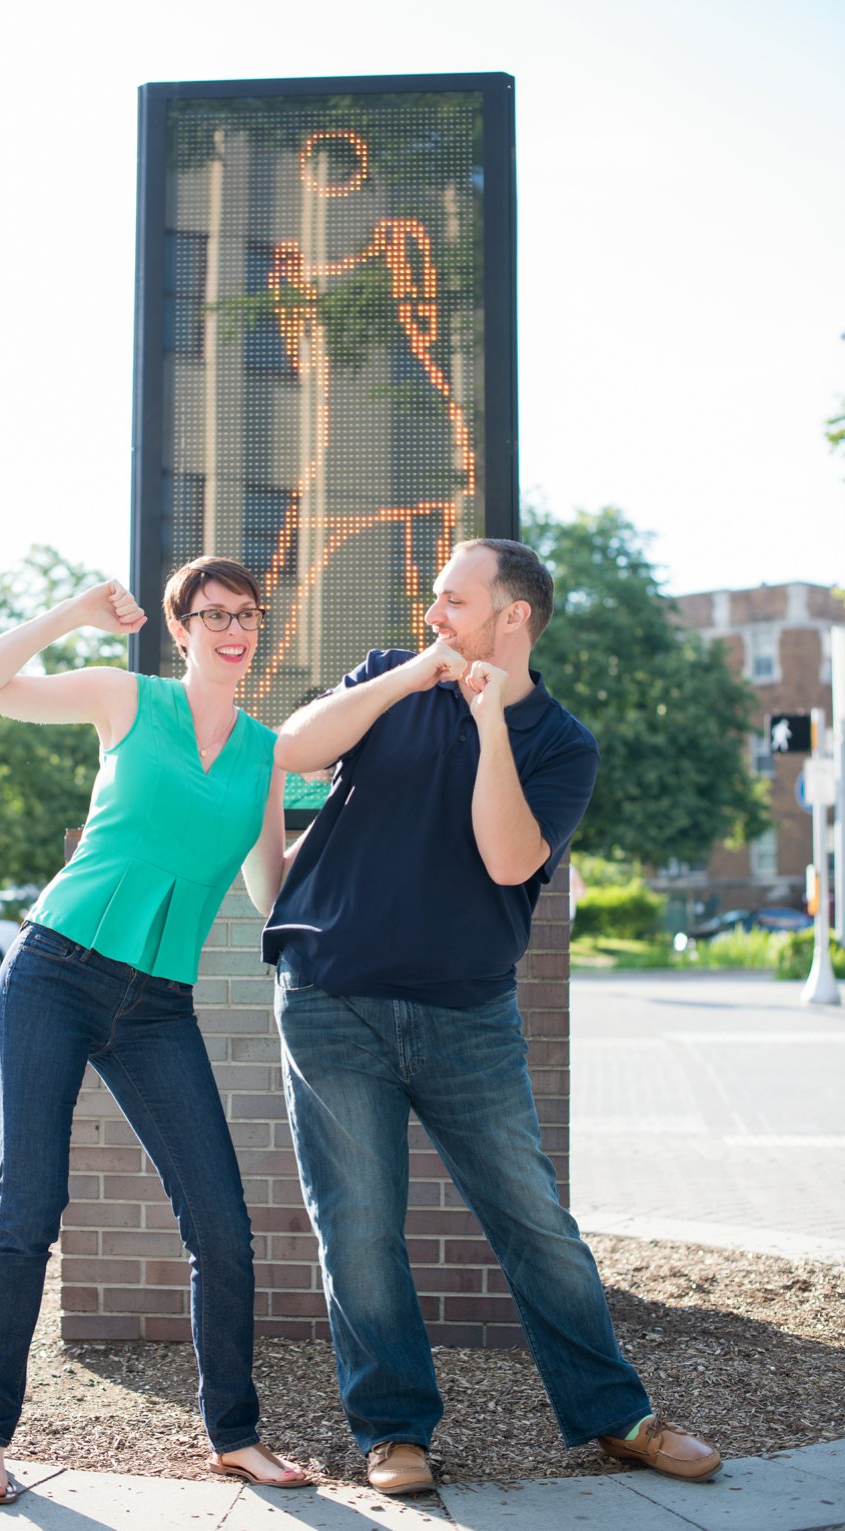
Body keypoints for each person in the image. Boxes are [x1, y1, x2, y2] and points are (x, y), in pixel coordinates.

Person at [265, 538, 722, 1494]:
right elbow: (293, 748)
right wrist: (418, 678)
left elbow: (509, 860)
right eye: (435, 601)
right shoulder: (391, 679)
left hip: (465, 1015)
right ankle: (394, 1431)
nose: (433, 614)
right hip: (331, 997)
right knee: (357, 1225)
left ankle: (615, 1415)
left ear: (512, 615)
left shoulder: (562, 741)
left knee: (535, 1221)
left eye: (453, 601)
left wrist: (489, 722)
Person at [0, 560, 302, 1505]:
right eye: (213, 614)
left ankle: (235, 1433)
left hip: (158, 1009)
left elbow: (269, 886)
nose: (233, 629)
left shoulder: (266, 753)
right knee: (28, 1212)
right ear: (178, 629)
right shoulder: (125, 698)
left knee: (223, 1226)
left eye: (247, 614)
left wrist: (365, 824)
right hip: (55, 973)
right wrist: (73, 613)